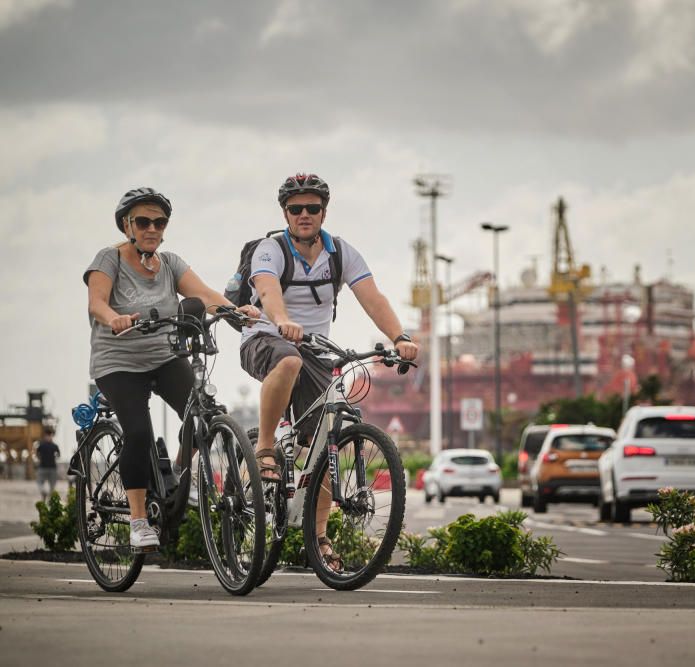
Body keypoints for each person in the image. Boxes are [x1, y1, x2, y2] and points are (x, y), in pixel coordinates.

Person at [240, 173, 419, 569]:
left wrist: (399, 336)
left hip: (316, 350)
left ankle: (318, 539)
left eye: (312, 208)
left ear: (324, 211)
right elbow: (267, 290)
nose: (304, 215)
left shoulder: (340, 253)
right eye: (295, 209)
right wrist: (283, 319)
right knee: (289, 359)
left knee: (322, 444)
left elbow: (372, 297)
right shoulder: (270, 250)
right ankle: (265, 447)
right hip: (266, 338)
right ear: (285, 212)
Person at [84, 187, 260, 551]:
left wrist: (233, 311)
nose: (152, 228)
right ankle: (138, 521)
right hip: (118, 363)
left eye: (159, 222)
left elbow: (207, 296)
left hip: (164, 356)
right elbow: (96, 302)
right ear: (127, 225)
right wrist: (114, 318)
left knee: (205, 415)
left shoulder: (170, 263)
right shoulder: (109, 260)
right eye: (144, 221)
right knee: (137, 432)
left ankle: (179, 476)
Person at [34, 426, 60, 500]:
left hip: (42, 467)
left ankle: (43, 492)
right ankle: (50, 500)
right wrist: (54, 457)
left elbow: (37, 454)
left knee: (39, 482)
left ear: (44, 435)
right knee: (52, 485)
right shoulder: (55, 446)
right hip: (52, 467)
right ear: (51, 435)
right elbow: (58, 455)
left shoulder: (41, 445)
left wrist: (40, 458)